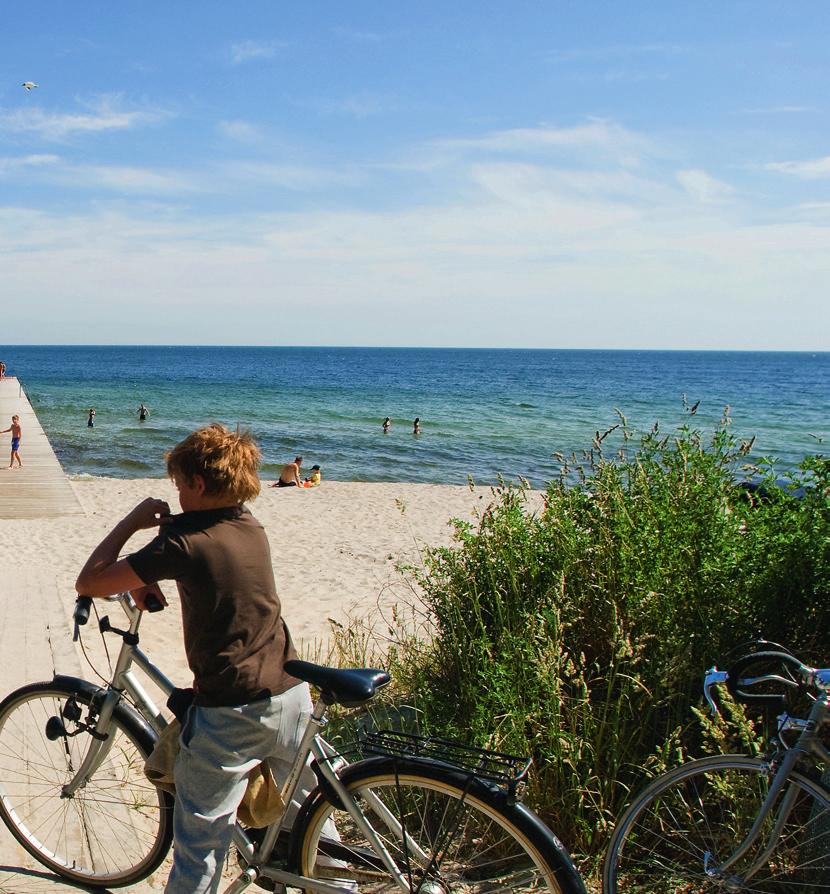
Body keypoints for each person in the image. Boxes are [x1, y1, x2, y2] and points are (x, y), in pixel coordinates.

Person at [74, 423, 314, 894]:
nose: (177, 493)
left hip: (233, 712)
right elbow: (207, 567)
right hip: (291, 693)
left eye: (179, 485)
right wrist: (144, 576)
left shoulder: (181, 543)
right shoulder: (248, 524)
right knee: (307, 822)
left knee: (199, 852)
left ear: (198, 486)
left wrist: (132, 521)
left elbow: (89, 581)